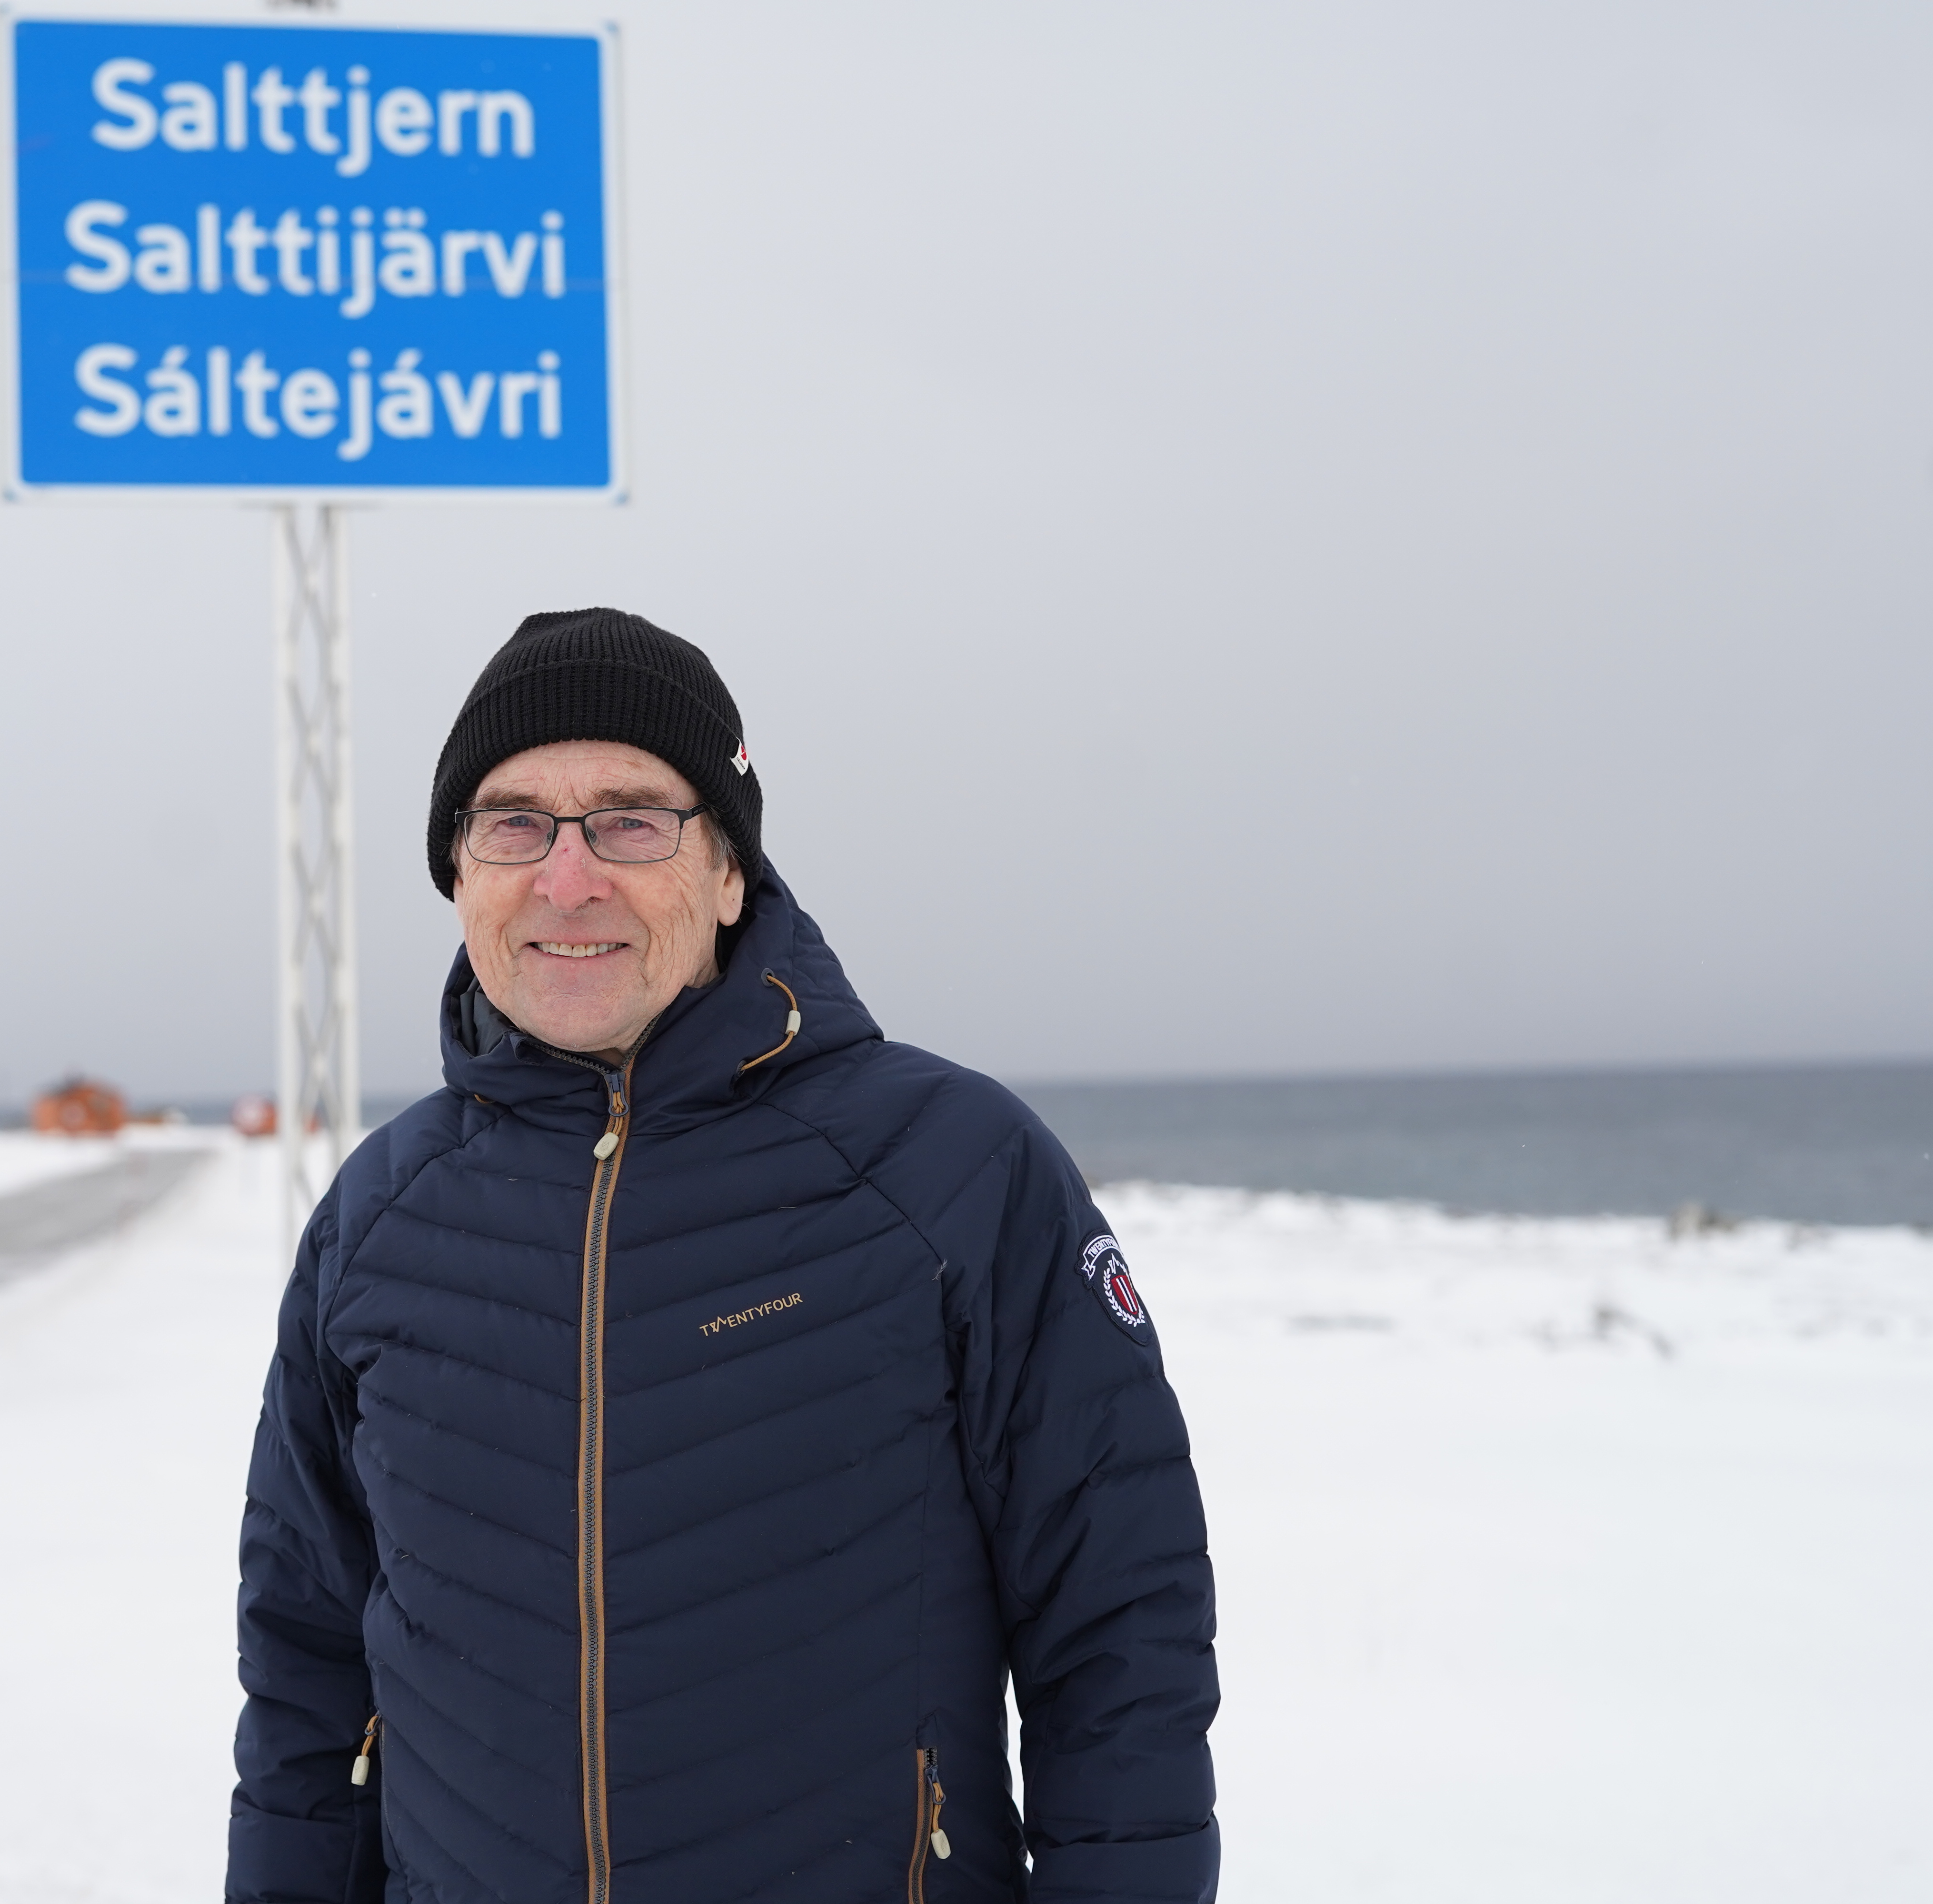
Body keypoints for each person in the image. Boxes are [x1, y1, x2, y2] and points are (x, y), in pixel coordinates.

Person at [228, 610, 1219, 1904]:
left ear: (733, 871)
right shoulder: (383, 1216)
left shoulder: (950, 1170)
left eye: (632, 820)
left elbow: (1120, 1633)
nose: (566, 877)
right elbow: (305, 1664)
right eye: (513, 823)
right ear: (459, 874)